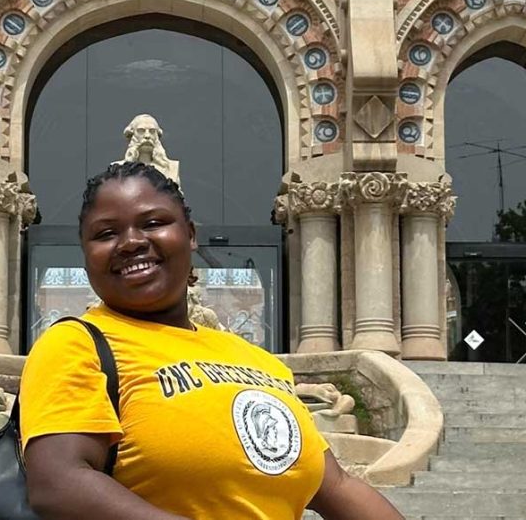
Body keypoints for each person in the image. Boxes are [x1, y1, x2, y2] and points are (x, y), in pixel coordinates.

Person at [20, 162, 404, 520]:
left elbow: (335, 484)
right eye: (106, 234)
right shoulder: (76, 343)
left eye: (153, 223)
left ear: (190, 235)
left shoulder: (260, 362)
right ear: (86, 255)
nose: (131, 242)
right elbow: (58, 482)